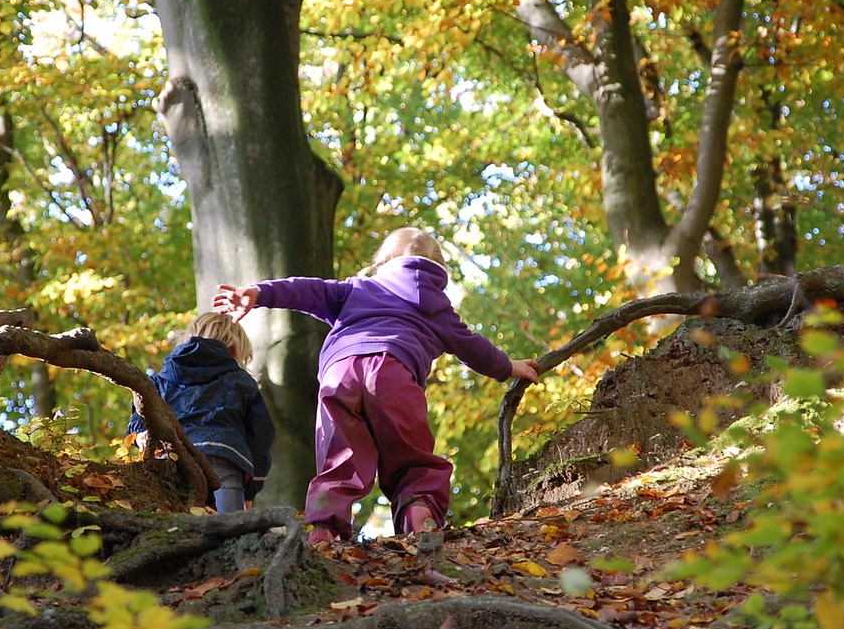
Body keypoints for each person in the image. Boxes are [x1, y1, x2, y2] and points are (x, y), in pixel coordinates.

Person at [213, 227, 539, 543]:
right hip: (394, 374)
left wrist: (259, 293)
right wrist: (509, 366)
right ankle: (418, 520)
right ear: (439, 269)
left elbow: (306, 290)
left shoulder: (357, 289)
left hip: (339, 375)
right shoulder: (437, 307)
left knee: (338, 463)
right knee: (412, 461)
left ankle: (325, 531)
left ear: (381, 262)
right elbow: (472, 347)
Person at [127, 312, 274, 514]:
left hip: (172, 457)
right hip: (223, 458)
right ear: (234, 349)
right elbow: (261, 436)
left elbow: (139, 414)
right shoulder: (241, 380)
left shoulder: (163, 378)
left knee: (173, 528)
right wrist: (252, 488)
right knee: (228, 531)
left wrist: (141, 435)